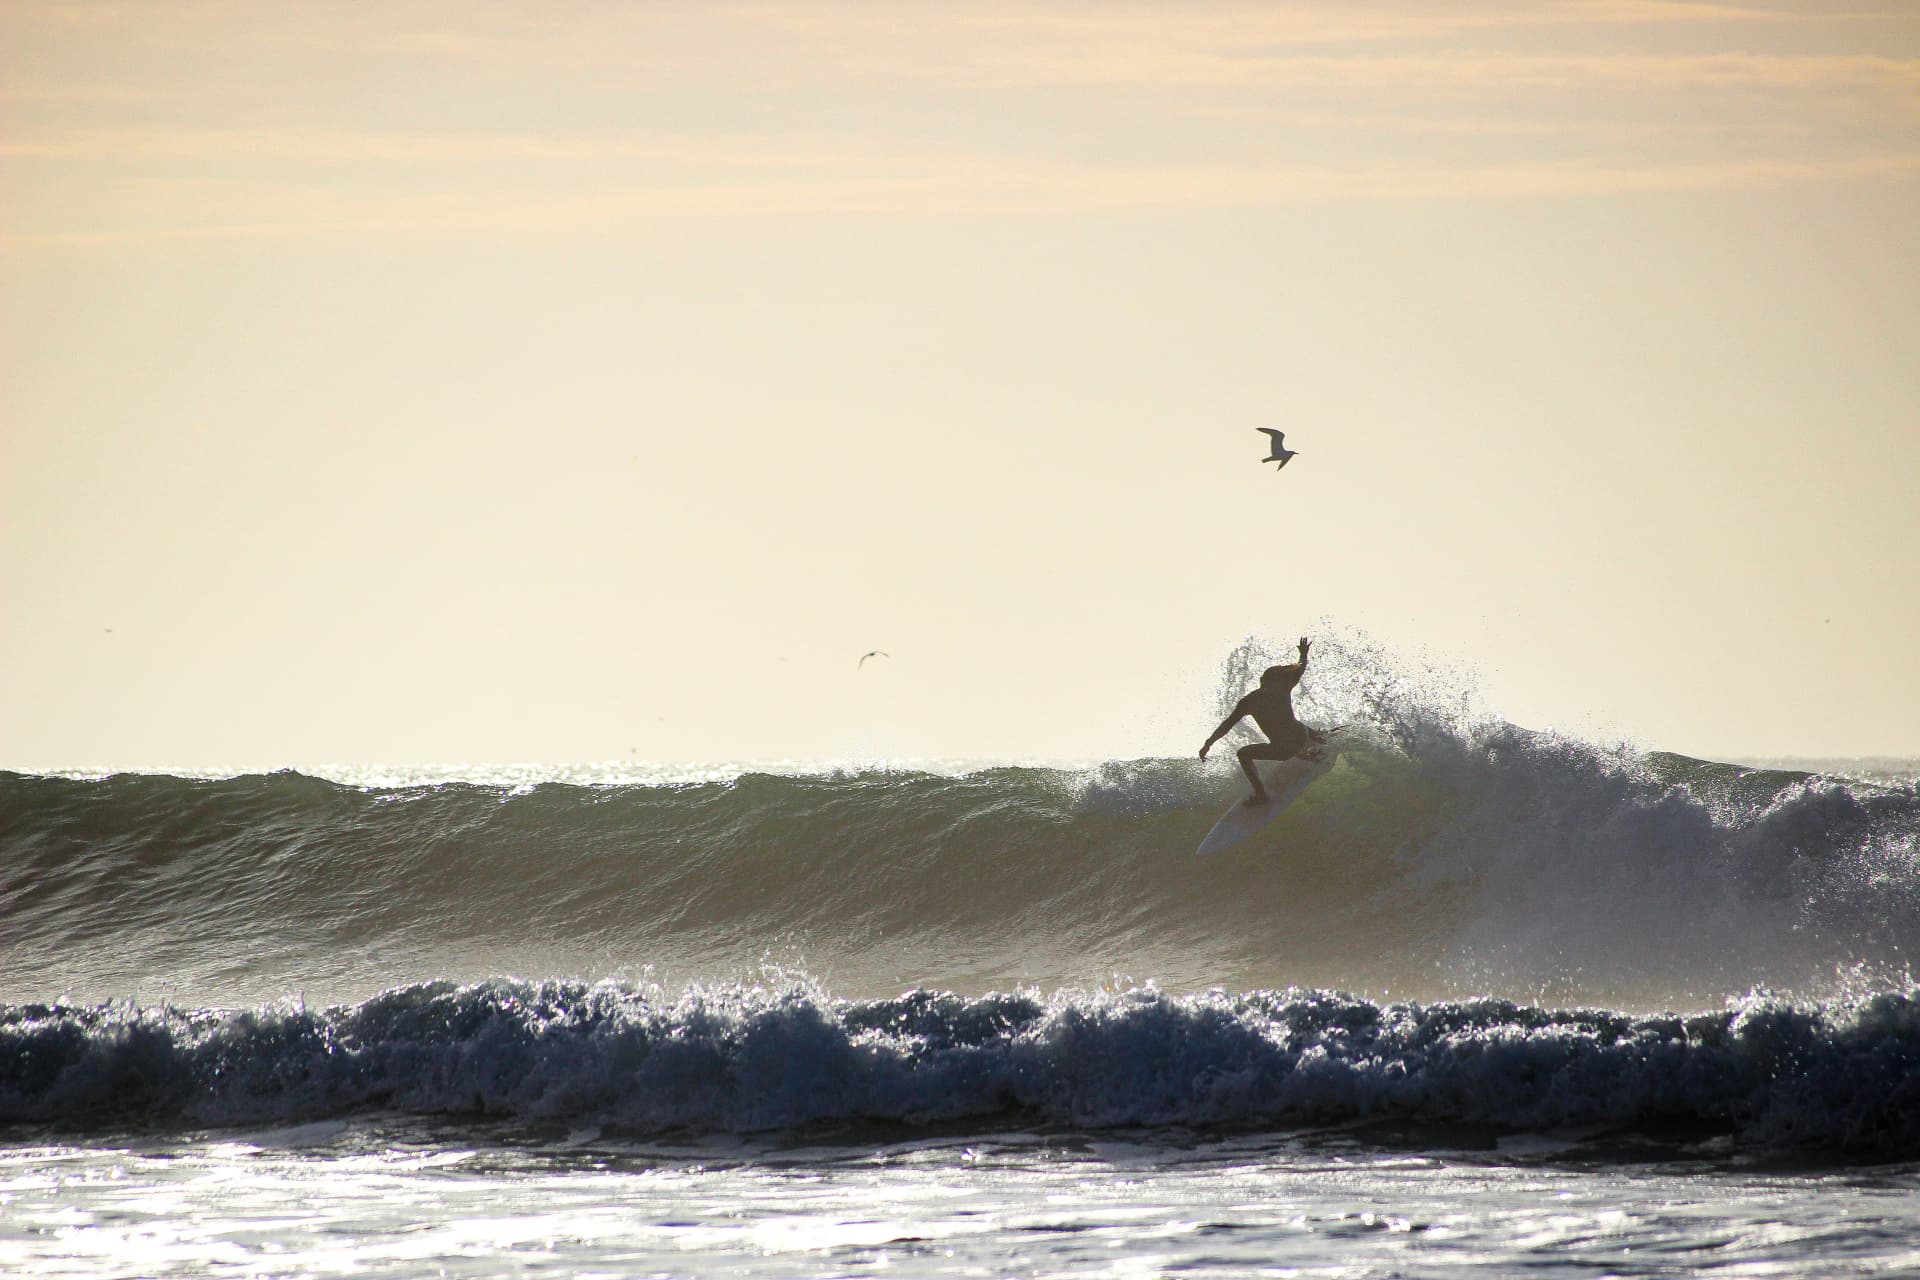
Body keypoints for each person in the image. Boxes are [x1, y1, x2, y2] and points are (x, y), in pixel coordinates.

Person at [1199, 636, 1328, 806]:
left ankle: (1261, 795)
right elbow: (1301, 668)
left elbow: (1227, 725)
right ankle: (1317, 739)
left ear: (1263, 681)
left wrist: (1209, 743)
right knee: (1291, 722)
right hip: (1301, 735)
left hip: (1283, 750)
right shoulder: (1283, 688)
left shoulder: (1250, 701)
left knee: (1243, 753)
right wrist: (1303, 654)